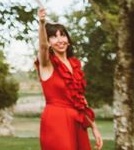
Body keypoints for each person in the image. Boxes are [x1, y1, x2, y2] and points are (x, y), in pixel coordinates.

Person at [36, 8, 102, 150]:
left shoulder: (75, 65)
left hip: (78, 122)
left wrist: (94, 127)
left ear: (68, 39)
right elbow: (42, 47)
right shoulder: (47, 64)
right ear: (49, 43)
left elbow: (81, 100)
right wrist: (42, 24)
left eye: (63, 35)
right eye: (54, 37)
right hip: (56, 121)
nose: (60, 40)